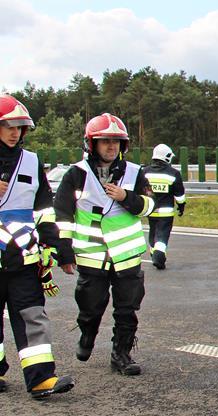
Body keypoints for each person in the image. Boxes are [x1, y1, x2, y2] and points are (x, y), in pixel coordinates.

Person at [55, 113, 155, 376]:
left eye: (116, 142)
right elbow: (62, 214)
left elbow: (148, 207)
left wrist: (127, 197)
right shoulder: (76, 174)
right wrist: (64, 251)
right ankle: (87, 334)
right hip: (91, 255)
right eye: (105, 141)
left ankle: (121, 354)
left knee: (127, 308)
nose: (111, 146)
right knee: (90, 306)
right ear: (92, 144)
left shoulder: (135, 173)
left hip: (127, 256)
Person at [0, 94, 75, 399]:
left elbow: (45, 209)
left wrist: (59, 250)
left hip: (24, 259)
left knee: (33, 316)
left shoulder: (31, 161)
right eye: (8, 126)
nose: (15, 132)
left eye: (20, 127)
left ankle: (41, 379)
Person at [141, 144, 186, 269]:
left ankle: (153, 253)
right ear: (167, 157)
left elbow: (140, 190)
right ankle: (159, 257)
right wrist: (181, 206)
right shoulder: (173, 173)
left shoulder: (145, 172)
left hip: (150, 210)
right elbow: (180, 194)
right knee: (162, 234)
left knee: (153, 232)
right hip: (166, 212)